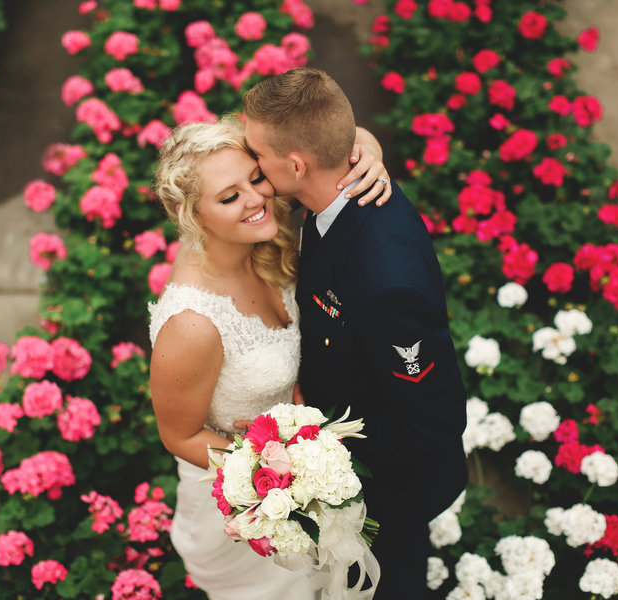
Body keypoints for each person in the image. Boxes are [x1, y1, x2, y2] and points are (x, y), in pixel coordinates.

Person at [242, 68, 468, 598]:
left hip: (391, 490)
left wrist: (325, 463)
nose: (251, 165)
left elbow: (431, 424)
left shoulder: (388, 285)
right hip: (348, 413)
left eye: (257, 155)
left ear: (295, 165)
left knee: (390, 581)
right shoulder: (333, 186)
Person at [148, 116, 388, 600]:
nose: (256, 200)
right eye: (229, 196)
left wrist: (370, 154)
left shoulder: (263, 238)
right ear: (192, 214)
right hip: (247, 503)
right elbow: (179, 434)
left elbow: (335, 133)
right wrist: (277, 479)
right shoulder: (192, 324)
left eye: (255, 178)